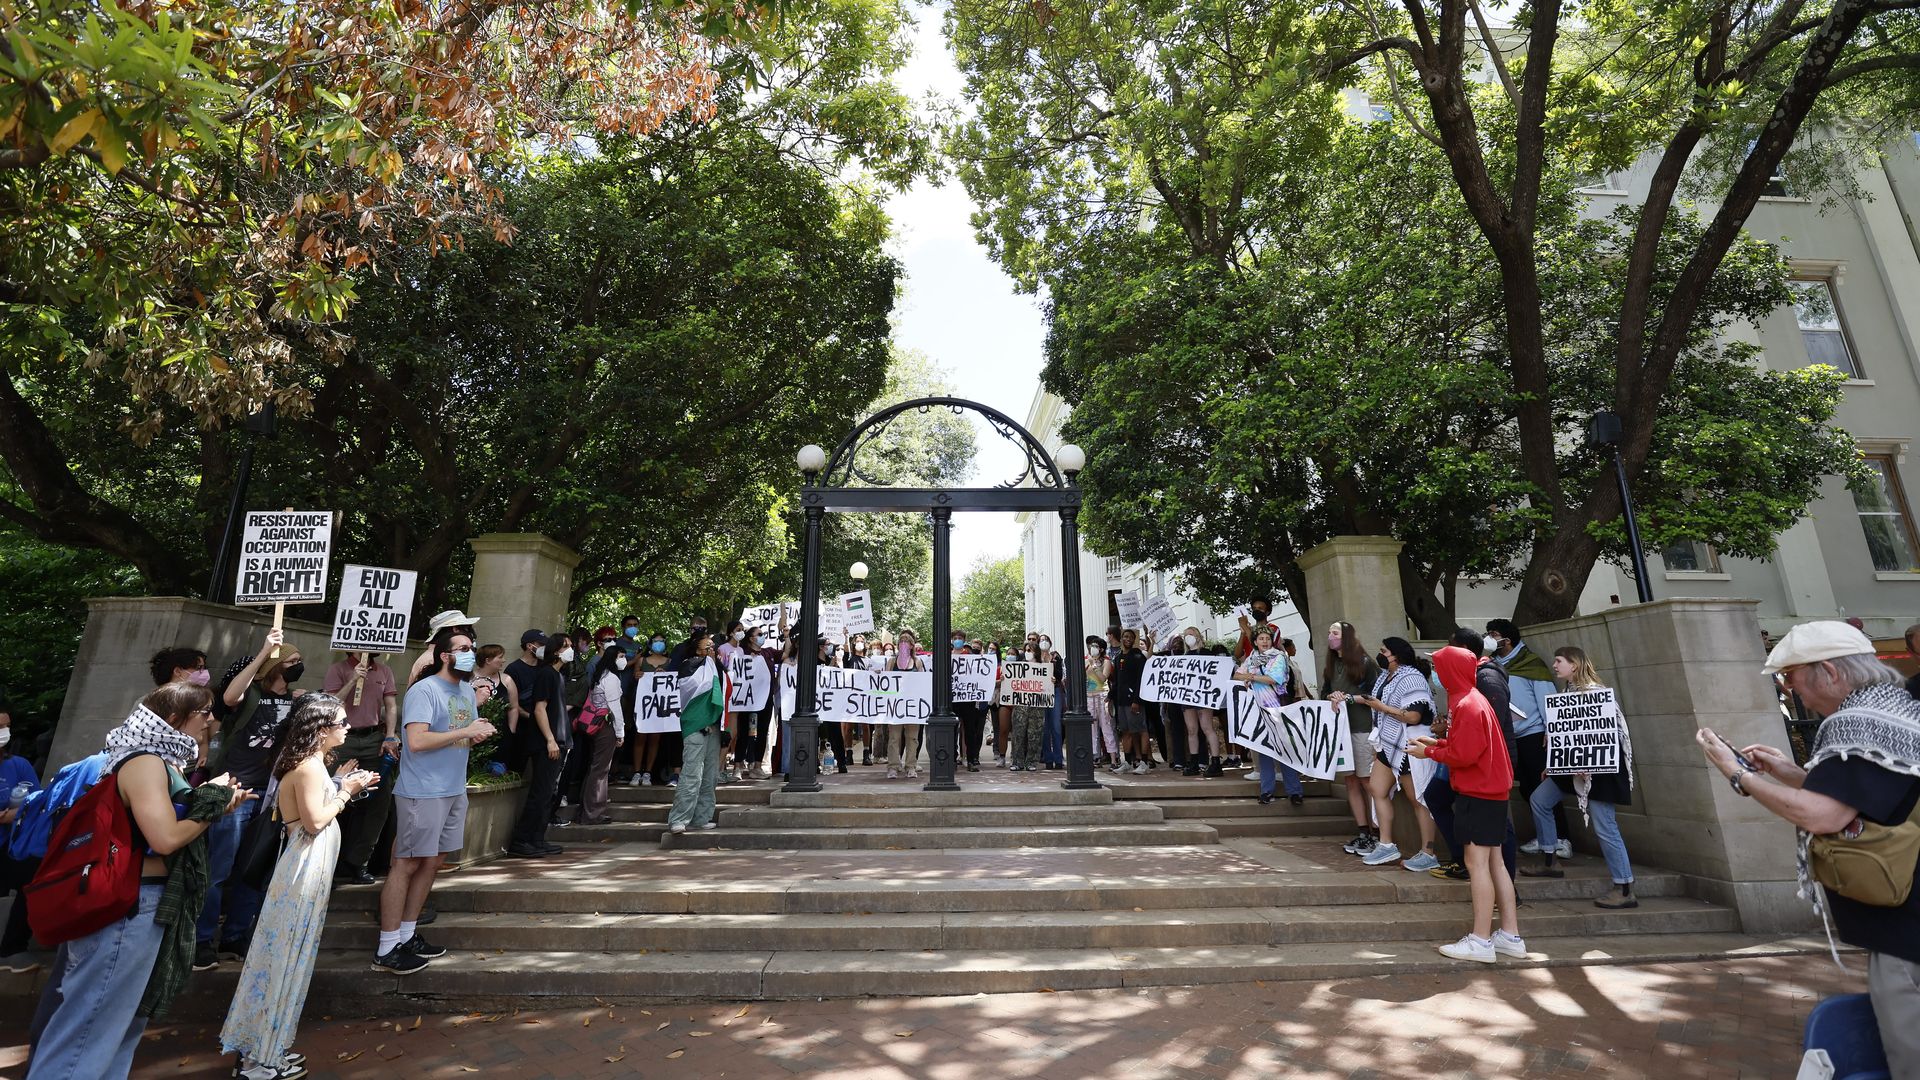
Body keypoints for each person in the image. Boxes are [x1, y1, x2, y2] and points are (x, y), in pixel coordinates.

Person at [1697, 621, 1920, 1076]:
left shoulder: (1856, 723)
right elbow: (1863, 794)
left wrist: (1739, 775)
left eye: (1791, 675)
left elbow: (1822, 815)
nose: (1788, 686)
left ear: (1830, 673)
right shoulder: (1892, 710)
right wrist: (1785, 771)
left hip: (1907, 933)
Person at [28, 684, 249, 1080]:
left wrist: (213, 802)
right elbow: (164, 837)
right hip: (129, 909)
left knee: (117, 1029)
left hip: (139, 906)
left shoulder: (157, 761)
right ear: (177, 719)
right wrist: (212, 804)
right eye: (205, 712)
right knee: (87, 1034)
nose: (211, 721)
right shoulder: (146, 762)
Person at [220, 694, 378, 1080]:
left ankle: (270, 1048)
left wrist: (342, 782)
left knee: (289, 959)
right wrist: (347, 792)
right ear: (321, 728)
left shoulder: (311, 763)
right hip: (301, 871)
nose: (347, 727)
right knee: (282, 961)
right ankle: (258, 1058)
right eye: (341, 722)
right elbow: (313, 822)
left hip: (308, 869)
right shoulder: (307, 766)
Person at [374, 627, 496, 974]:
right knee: (406, 863)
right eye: (463, 648)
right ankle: (387, 946)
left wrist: (476, 734)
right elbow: (416, 741)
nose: (470, 652)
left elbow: (458, 738)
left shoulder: (465, 692)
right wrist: (466, 732)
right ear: (445, 655)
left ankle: (408, 935)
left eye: (472, 647)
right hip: (422, 791)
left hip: (454, 789)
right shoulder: (424, 690)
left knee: (432, 863)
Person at [1408, 645, 1523, 964]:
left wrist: (1429, 753)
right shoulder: (1473, 699)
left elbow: (1464, 755)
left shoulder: (1466, 703)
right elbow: (1467, 744)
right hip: (1492, 792)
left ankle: (1481, 940)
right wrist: (1438, 743)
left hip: (1479, 794)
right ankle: (1510, 935)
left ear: (1449, 672)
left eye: (1438, 667)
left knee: (1477, 865)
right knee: (1496, 863)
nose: (1435, 672)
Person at [198, 629, 304, 970]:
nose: (297, 666)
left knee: (253, 870)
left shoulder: (295, 699)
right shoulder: (252, 694)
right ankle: (201, 940)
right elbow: (228, 697)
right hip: (235, 792)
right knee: (219, 870)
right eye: (291, 661)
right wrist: (264, 652)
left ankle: (235, 936)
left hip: (268, 795)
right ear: (274, 667)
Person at [1516, 646, 1637, 907]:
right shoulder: (1567, 692)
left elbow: (1608, 734)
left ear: (1575, 664)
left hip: (1599, 772)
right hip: (1571, 769)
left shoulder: (1596, 693)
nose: (1555, 665)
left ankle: (1624, 887)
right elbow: (1567, 734)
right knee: (1539, 800)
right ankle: (1550, 858)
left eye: (1559, 661)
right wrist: (1557, 763)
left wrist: (1588, 761)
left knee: (1605, 827)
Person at [1424, 629, 1519, 884]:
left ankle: (1505, 889)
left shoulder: (1483, 683)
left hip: (1485, 770)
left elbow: (1483, 733)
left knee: (1497, 835)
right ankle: (1473, 867)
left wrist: (1432, 750)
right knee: (1437, 798)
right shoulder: (1466, 691)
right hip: (1469, 766)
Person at [1336, 637, 1440, 871]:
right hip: (1388, 742)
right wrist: (1348, 698)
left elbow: (1413, 716)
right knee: (1377, 788)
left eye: (1384, 651)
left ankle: (1428, 851)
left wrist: (1382, 708)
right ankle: (1386, 844)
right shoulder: (1386, 676)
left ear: (1396, 655)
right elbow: (1374, 700)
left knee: (1417, 800)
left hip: (1409, 744)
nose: (1380, 654)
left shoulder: (1411, 678)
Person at [1488, 618, 1570, 859]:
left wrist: (1551, 731)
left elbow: (1547, 699)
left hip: (1536, 735)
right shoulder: (1494, 665)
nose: (1490, 639)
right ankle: (1545, 838)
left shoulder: (1532, 664)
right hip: (1512, 736)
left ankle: (1562, 838)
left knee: (1544, 788)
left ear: (1507, 639)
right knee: (1526, 788)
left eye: (1493, 634)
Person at [320, 651, 399, 887]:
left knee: (378, 801)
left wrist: (390, 736)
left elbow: (391, 706)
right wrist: (353, 679)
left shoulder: (384, 671)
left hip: (373, 739)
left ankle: (359, 861)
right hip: (343, 740)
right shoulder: (338, 669)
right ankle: (328, 863)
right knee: (333, 795)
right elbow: (330, 705)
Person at [505, 629, 568, 854]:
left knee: (548, 793)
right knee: (539, 793)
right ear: (556, 651)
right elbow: (539, 708)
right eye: (566, 646)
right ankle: (522, 840)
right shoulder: (546, 674)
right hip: (545, 743)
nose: (570, 651)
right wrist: (550, 739)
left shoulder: (557, 676)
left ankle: (537, 838)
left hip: (559, 741)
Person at [1322, 622, 1380, 856]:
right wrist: (1332, 696)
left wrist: (1349, 699)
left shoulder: (1365, 664)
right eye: (1329, 632)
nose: (1330, 636)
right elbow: (1325, 691)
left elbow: (1374, 696)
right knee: (1351, 781)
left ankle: (1378, 833)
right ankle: (1363, 831)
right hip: (1342, 730)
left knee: (1367, 781)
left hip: (1362, 728)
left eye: (1334, 633)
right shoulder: (1332, 665)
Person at [561, 640, 625, 830]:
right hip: (605, 725)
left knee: (594, 767)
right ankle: (592, 813)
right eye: (621, 657)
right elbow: (615, 708)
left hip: (593, 726)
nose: (624, 660)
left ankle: (587, 810)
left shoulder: (600, 675)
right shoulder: (611, 678)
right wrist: (620, 732)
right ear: (613, 658)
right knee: (600, 770)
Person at [1234, 627, 1303, 804]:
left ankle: (1294, 791)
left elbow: (1275, 678)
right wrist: (1249, 676)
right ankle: (1266, 790)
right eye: (1261, 638)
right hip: (1257, 709)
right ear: (1255, 642)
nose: (1264, 641)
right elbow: (1236, 675)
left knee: (1285, 749)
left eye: (1267, 638)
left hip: (1278, 707)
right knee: (1264, 749)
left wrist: (1250, 676)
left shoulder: (1279, 657)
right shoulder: (1252, 658)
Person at [668, 629, 725, 834]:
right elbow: (695, 687)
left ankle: (702, 817)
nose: (711, 648)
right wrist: (709, 662)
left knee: (710, 776)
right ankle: (679, 818)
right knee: (691, 774)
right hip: (695, 725)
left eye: (712, 645)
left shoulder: (716, 666)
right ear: (696, 648)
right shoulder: (689, 665)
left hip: (714, 726)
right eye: (707, 645)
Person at [884, 630, 926, 779]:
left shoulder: (917, 662)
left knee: (912, 738)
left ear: (912, 645)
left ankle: (911, 766)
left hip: (913, 706)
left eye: (907, 641)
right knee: (894, 737)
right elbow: (885, 682)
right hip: (895, 706)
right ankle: (893, 766)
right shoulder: (892, 662)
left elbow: (923, 683)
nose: (903, 644)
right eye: (901, 641)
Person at [407, 610, 479, 684]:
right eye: (464, 649)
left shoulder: (433, 656)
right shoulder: (431, 659)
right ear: (456, 629)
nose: (469, 634)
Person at [1083, 635, 1121, 772]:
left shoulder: (1106, 661)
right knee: (1092, 729)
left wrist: (1093, 668)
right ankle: (1095, 757)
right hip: (1089, 696)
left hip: (1102, 696)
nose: (1093, 649)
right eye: (1091, 646)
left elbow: (1102, 678)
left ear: (1101, 649)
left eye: (1096, 646)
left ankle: (1113, 758)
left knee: (1107, 728)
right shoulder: (1085, 660)